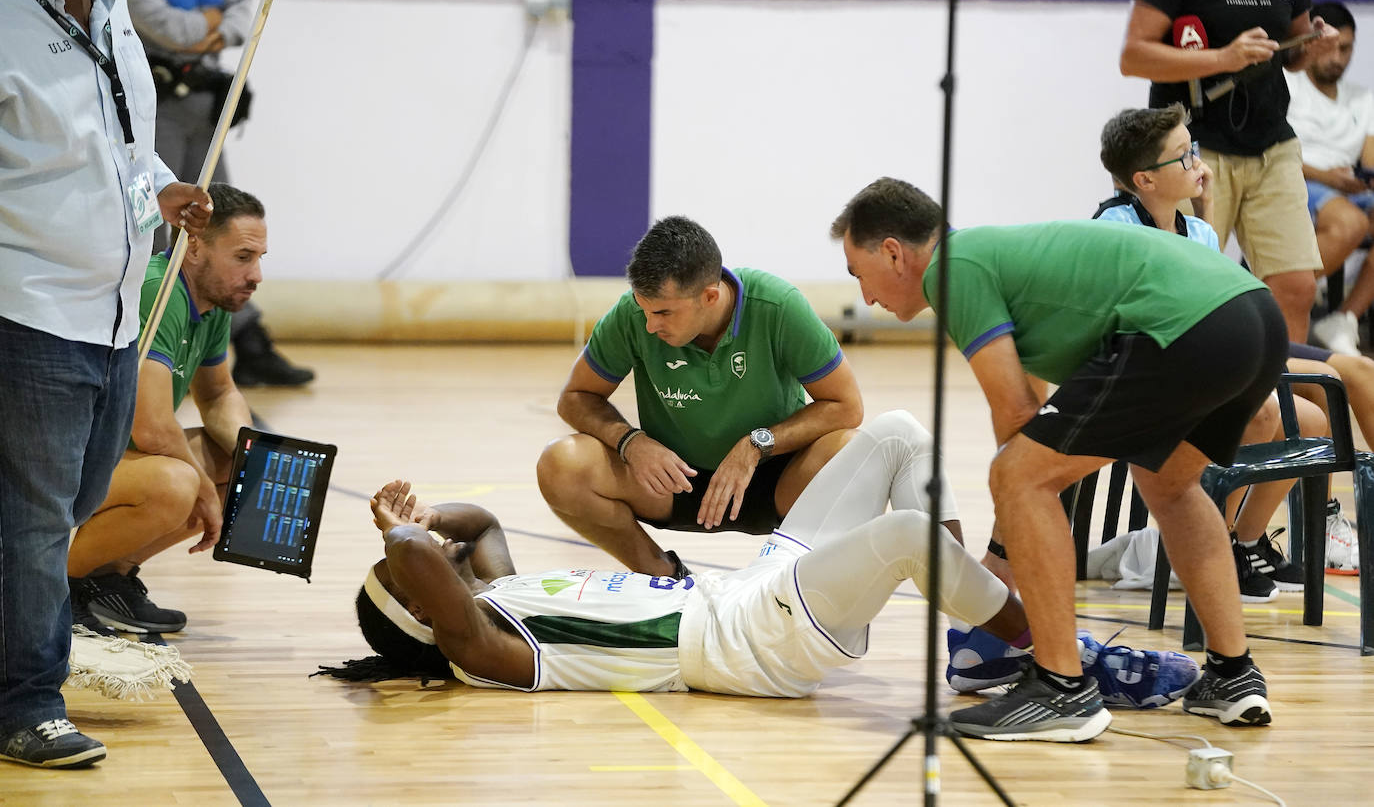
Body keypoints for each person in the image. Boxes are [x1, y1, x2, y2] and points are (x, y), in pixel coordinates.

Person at [321, 412, 1200, 739]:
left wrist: (428, 522)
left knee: (893, 434)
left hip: (743, 592)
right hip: (743, 646)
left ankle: (979, 644)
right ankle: (1062, 660)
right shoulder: (483, 649)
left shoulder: (495, 593)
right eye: (417, 575)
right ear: (422, 614)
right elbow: (415, 563)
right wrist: (400, 538)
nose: (435, 559)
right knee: (902, 534)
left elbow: (472, 527)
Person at [832, 177, 1287, 741]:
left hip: (1186, 326)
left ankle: (1060, 689)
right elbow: (1043, 412)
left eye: (859, 273)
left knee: (1015, 475)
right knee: (1169, 486)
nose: (866, 295)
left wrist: (1003, 556)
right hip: (1255, 317)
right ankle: (1232, 673)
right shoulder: (996, 257)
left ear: (894, 252)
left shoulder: (955, 268)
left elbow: (1018, 421)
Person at [1, 0, 211, 769]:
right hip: (29, 309)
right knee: (36, 522)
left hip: (118, 314)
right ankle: (27, 705)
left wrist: (162, 189)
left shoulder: (115, 8)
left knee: (76, 501)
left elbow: (119, 144)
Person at [1098, 104, 1361, 577]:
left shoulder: (1196, 228)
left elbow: (1216, 303)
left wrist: (1208, 210)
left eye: (1192, 150)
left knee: (1311, 417)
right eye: (1183, 157)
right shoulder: (1112, 228)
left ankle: (1245, 541)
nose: (1198, 164)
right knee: (1257, 412)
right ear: (1144, 180)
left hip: (1197, 373)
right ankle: (1209, 552)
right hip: (1143, 382)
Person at [537, 216, 863, 577]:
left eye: (662, 312)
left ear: (709, 297)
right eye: (643, 309)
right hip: (670, 481)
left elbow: (846, 406)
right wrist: (630, 441)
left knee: (853, 453)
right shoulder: (632, 317)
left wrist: (756, 445)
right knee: (561, 464)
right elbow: (576, 397)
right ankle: (663, 577)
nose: (649, 325)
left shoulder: (778, 306)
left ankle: (795, 585)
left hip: (774, 477)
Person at [69, 183, 266, 636]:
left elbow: (218, 395)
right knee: (176, 484)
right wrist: (203, 493)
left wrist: (255, 453)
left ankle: (105, 581)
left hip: (117, 459)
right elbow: (153, 428)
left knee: (244, 464)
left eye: (259, 258)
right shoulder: (158, 291)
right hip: (73, 460)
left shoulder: (212, 303)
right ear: (193, 246)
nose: (256, 275)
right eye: (242, 257)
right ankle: (51, 590)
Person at [1121, 0, 1340, 344]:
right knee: (1184, 289)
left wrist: (1314, 44)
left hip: (1273, 143)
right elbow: (1133, 57)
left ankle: (1282, 397)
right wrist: (1223, 58)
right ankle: (1189, 395)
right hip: (1191, 148)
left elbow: (1294, 51)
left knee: (1296, 287)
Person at [125, 0, 314, 388]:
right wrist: (210, 24)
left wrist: (213, 29)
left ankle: (245, 341)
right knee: (154, 231)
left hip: (205, 105)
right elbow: (159, 24)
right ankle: (149, 344)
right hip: (156, 107)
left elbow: (244, 12)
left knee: (221, 224)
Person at [1285, 2, 1374, 356]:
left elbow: (1369, 159)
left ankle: (1345, 318)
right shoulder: (1287, 84)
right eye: (1332, 46)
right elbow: (1274, 154)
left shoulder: (1363, 98)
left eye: (1347, 48)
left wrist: (1359, 178)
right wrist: (1328, 178)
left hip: (1346, 185)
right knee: (1350, 223)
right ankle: (1278, 296)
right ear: (1312, 42)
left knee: (1356, 215)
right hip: (1296, 178)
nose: (1338, 57)